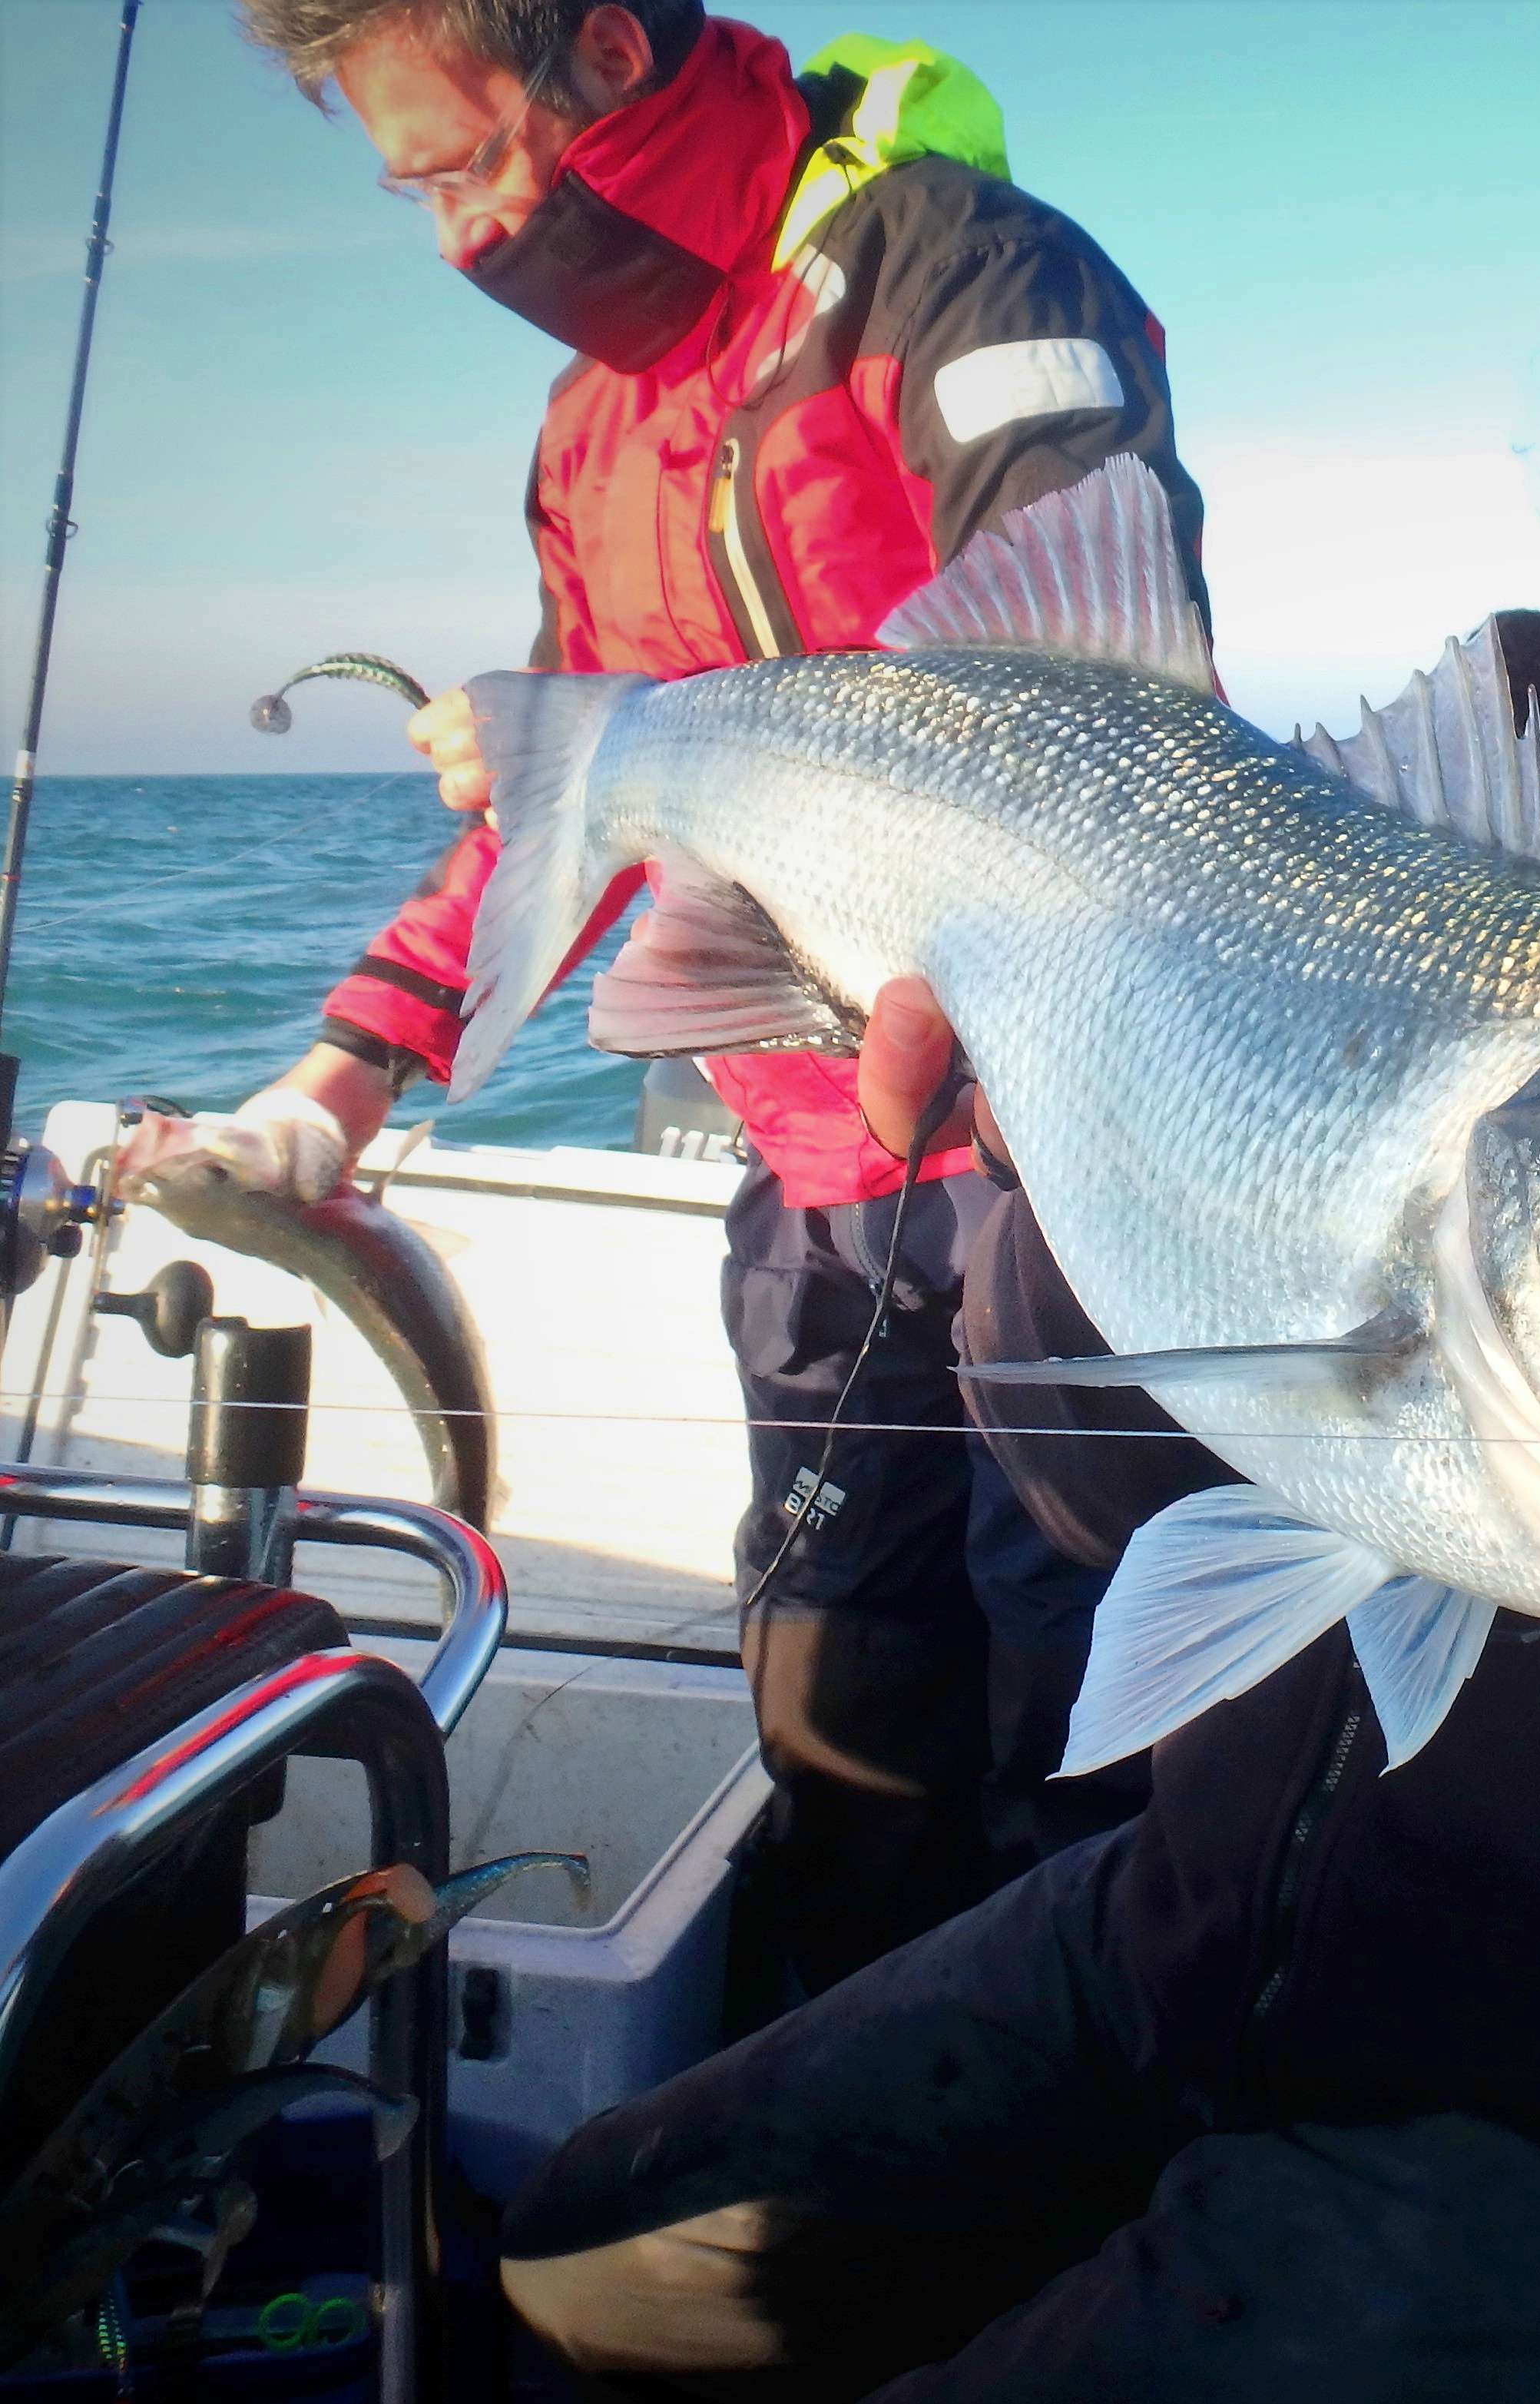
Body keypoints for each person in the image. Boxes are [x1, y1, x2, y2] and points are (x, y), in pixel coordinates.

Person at [498, 221, 1540, 2400]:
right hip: (1182, 1935)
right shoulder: (1290, 840)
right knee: (577, 2263)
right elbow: (1110, 1493)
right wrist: (1042, 1153)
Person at [141, 0, 1208, 1991]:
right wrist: (338, 1084)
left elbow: (1106, 698)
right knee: (833, 1700)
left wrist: (661, 745)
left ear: (609, 57)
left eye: (458, 167)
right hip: (805, 1184)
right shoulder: (589, 429)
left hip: (1055, 1164)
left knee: (1082, 1717)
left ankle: (1100, 2185)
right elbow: (566, 813)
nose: (449, 240)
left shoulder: (949, 266)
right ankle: (844, 2183)